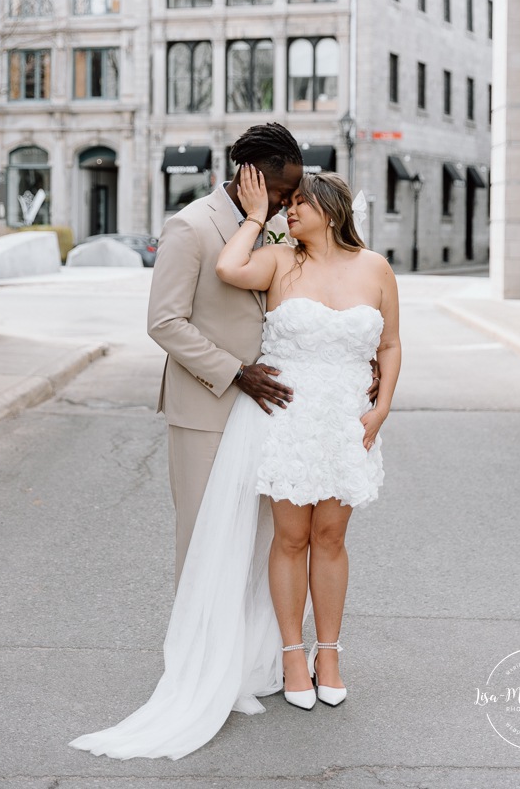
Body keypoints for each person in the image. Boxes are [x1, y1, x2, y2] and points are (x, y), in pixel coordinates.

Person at [68, 168, 400, 760]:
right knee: (290, 538)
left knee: (332, 537)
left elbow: (391, 345)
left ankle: (330, 653)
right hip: (289, 418)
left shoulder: (376, 267)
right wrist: (251, 220)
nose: (288, 211)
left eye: (299, 203)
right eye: (286, 202)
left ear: (331, 207)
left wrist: (381, 409)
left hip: (347, 418)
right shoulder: (276, 258)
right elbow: (226, 269)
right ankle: (291, 659)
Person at [146, 122, 303, 587]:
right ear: (250, 176)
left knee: (258, 540)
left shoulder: (278, 229)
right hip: (204, 410)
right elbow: (164, 322)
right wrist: (237, 373)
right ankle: (198, 656)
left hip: (266, 411)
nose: (285, 204)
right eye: (280, 192)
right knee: (203, 536)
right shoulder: (189, 226)